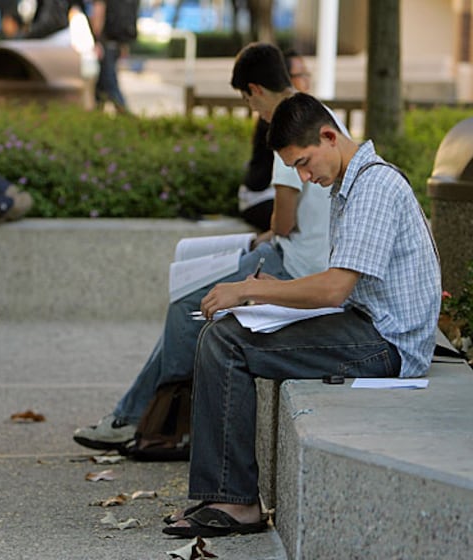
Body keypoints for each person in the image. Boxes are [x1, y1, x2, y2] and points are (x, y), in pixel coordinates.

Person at [163, 92, 441, 539]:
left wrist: (250, 287)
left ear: (329, 136)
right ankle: (224, 494)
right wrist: (274, 295)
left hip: (386, 346)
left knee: (225, 341)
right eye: (296, 168)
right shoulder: (354, 183)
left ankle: (235, 502)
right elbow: (340, 286)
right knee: (228, 331)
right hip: (366, 325)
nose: (305, 177)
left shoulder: (373, 188)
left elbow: (334, 287)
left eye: (304, 163)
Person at [72, 43, 348, 451]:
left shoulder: (291, 130)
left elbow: (284, 221)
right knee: (187, 297)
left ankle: (138, 419)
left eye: (247, 100)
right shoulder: (316, 114)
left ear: (254, 90)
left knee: (187, 308)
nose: (252, 109)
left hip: (293, 262)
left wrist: (265, 236)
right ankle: (138, 416)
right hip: (294, 254)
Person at [239, 50, 311, 230]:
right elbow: (283, 226)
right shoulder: (279, 119)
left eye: (307, 74)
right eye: (300, 74)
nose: (306, 80)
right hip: (260, 197)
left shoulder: (300, 111)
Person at [90, 0, 138, 114]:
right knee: (101, 83)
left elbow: (98, 13)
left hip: (106, 42)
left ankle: (125, 115)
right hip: (118, 41)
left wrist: (96, 40)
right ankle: (97, 114)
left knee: (109, 81)